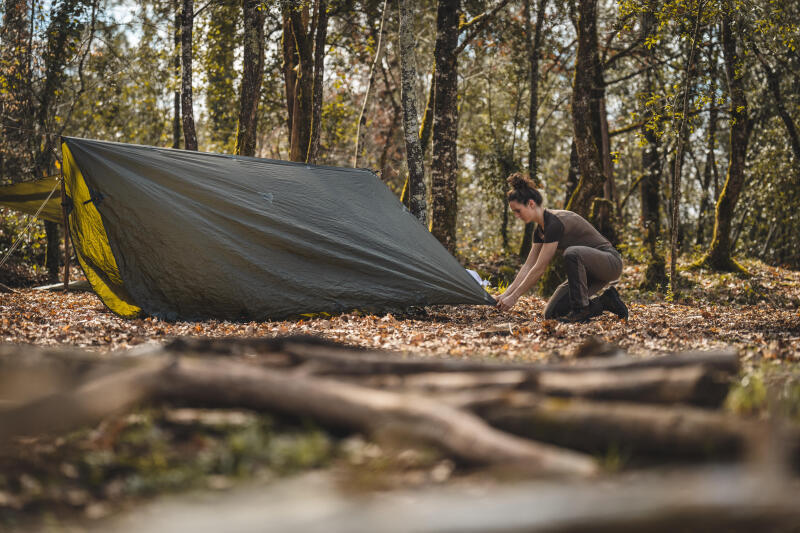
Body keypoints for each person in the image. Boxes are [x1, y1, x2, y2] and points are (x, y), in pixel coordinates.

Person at [495, 173, 628, 323]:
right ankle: (606, 302)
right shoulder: (540, 231)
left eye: (518, 210)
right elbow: (528, 266)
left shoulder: (554, 223)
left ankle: (582, 310)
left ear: (531, 204)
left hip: (610, 262)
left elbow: (539, 268)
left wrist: (514, 297)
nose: (517, 216)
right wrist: (505, 295)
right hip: (587, 273)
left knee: (572, 253)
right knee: (552, 313)